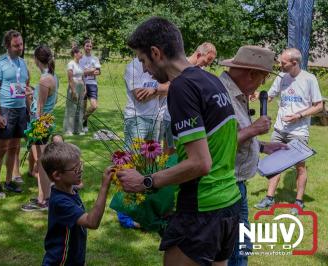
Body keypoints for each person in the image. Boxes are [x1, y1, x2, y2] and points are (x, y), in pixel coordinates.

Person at [118, 17, 241, 266]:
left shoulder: (181, 87)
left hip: (201, 208)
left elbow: (200, 163)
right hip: (229, 203)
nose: (143, 69)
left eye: (143, 60)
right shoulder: (211, 80)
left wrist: (145, 182)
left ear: (156, 53)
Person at [219, 45, 288, 266]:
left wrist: (262, 146)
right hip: (227, 185)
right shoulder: (222, 96)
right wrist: (253, 130)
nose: (262, 85)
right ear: (251, 74)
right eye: (263, 78)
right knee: (237, 248)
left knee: (240, 243)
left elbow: (233, 135)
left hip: (235, 183)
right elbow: (216, 144)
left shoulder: (236, 93)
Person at [255, 48, 323, 215]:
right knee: (274, 163)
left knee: (300, 166)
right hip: (279, 129)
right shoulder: (282, 77)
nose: (280, 65)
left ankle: (298, 202)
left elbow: (319, 105)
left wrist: (299, 115)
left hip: (298, 131)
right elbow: (270, 96)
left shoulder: (309, 79)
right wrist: (255, 93)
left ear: (294, 63)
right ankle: (269, 198)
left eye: (283, 63)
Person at [41, 142, 112, 265]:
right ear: (57, 175)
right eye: (76, 168)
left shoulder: (70, 191)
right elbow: (92, 222)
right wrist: (104, 186)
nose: (81, 170)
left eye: (80, 165)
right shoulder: (60, 202)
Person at [0, 30, 29, 198]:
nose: (19, 48)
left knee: (14, 147)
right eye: (16, 45)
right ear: (7, 45)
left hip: (21, 109)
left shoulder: (23, 63)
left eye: (21, 44)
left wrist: (29, 106)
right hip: (6, 109)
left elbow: (25, 85)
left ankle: (8, 181)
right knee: (2, 149)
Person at [21, 45, 58, 212]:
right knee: (40, 161)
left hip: (41, 125)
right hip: (44, 123)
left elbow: (40, 107)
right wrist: (33, 92)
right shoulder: (50, 77)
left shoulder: (45, 79)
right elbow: (44, 97)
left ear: (37, 59)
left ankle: (44, 200)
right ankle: (43, 197)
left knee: (41, 163)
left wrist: (35, 126)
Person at [123, 57, 167, 145]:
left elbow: (170, 87)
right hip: (136, 119)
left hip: (155, 118)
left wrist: (153, 90)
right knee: (133, 156)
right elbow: (140, 96)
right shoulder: (132, 67)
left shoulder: (158, 64)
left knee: (151, 156)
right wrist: (159, 90)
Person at [63, 47, 86, 136]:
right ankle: (69, 130)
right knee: (71, 108)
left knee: (80, 109)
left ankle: (78, 129)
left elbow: (83, 77)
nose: (82, 54)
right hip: (74, 86)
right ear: (75, 54)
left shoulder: (80, 64)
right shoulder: (71, 64)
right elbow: (70, 78)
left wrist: (85, 88)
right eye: (80, 52)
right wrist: (73, 91)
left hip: (81, 86)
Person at [79, 39, 101, 132]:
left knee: (94, 106)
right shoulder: (80, 58)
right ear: (84, 46)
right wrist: (91, 70)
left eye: (90, 46)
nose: (88, 47)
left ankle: (81, 119)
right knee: (83, 107)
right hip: (82, 84)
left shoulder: (95, 59)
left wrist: (87, 71)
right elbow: (80, 72)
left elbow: (98, 72)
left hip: (92, 84)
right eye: (87, 45)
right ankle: (84, 126)